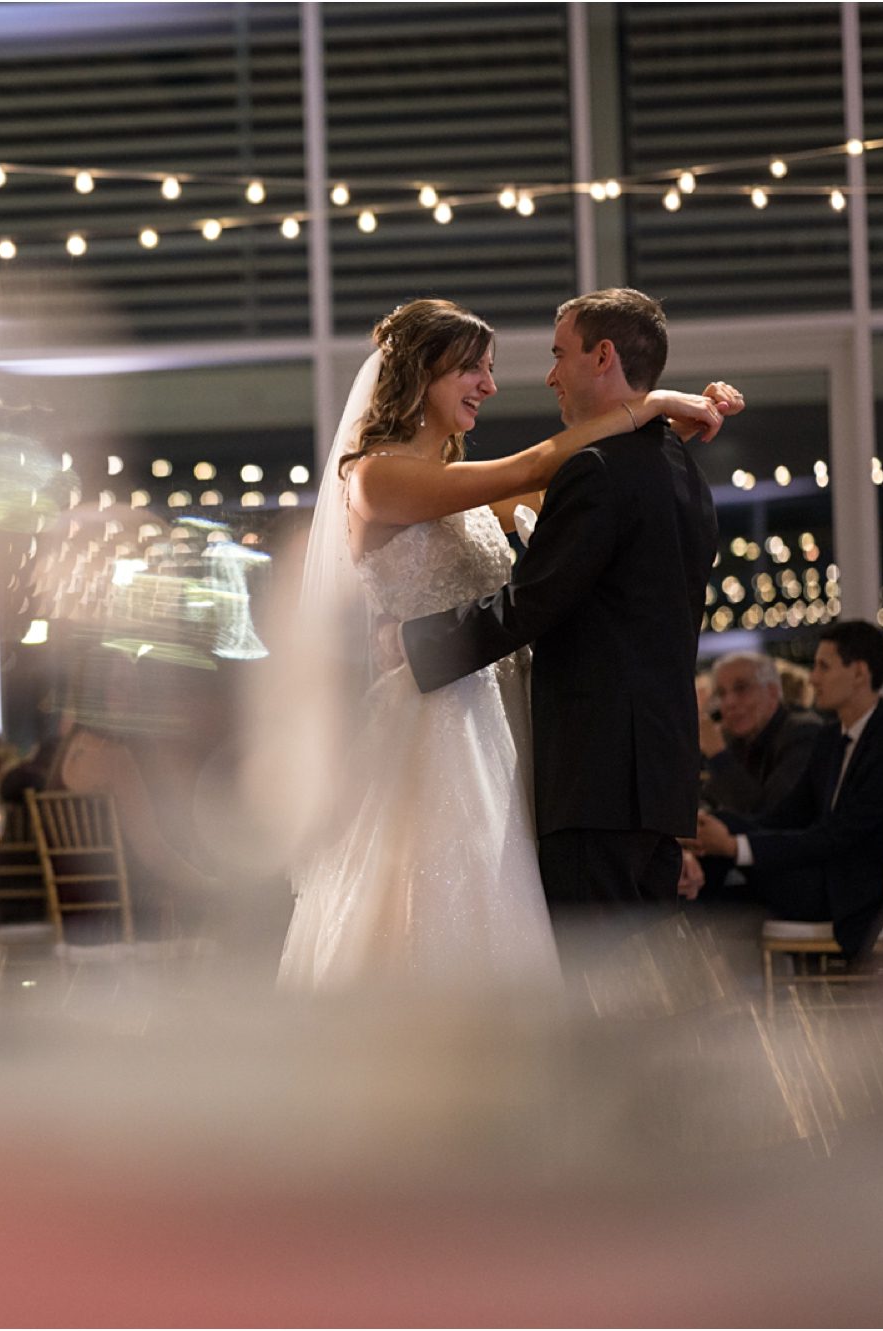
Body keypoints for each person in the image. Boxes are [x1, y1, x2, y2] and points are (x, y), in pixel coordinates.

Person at [278, 296, 734, 992]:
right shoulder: (376, 477)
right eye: (472, 369)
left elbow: (591, 516)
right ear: (421, 373)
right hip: (434, 723)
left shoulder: (460, 488)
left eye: (490, 369)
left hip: (508, 725)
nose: (490, 386)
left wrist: (655, 430)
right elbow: (533, 469)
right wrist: (653, 403)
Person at [394, 288, 731, 924]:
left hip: (596, 775)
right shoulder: (680, 467)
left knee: (592, 974)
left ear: (602, 357)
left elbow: (531, 604)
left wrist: (413, 644)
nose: (550, 377)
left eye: (558, 355)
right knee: (637, 970)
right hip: (657, 778)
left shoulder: (597, 467)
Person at [685, 621, 883, 960]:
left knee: (703, 888)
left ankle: (655, 951)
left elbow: (836, 837)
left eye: (823, 667)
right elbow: (784, 816)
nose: (812, 679)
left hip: (852, 897)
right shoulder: (831, 739)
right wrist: (719, 832)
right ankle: (675, 939)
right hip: (821, 881)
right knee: (704, 893)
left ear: (859, 673)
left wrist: (735, 846)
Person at [701, 651, 825, 821]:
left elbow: (770, 815)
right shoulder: (734, 737)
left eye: (741, 688)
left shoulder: (803, 733)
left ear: (773, 692)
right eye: (721, 693)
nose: (729, 703)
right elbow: (708, 799)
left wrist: (718, 756)